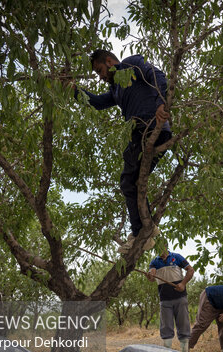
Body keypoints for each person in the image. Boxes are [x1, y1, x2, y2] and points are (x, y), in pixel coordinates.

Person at [72, 49, 171, 253]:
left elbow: (157, 75)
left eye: (100, 70)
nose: (100, 76)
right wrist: (73, 90)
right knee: (132, 182)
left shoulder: (130, 64)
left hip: (149, 127)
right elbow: (98, 103)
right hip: (141, 135)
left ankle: (141, 233)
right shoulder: (117, 89)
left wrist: (161, 103)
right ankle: (146, 230)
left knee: (128, 181)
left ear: (109, 61)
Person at [147, 250, 194, 352]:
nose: (158, 249)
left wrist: (183, 284)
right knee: (166, 326)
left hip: (180, 297)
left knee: (183, 323)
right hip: (164, 299)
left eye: (160, 246)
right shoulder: (154, 261)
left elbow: (190, 270)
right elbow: (152, 276)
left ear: (165, 246)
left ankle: (185, 351)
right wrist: (150, 275)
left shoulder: (176, 257)